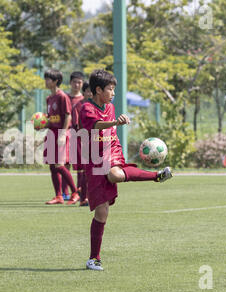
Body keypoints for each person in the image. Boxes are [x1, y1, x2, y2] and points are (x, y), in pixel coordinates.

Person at [79, 70, 172, 271]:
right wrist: (116, 122)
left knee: (115, 174)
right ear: (97, 90)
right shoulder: (86, 108)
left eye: (114, 89)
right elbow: (96, 126)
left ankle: (157, 175)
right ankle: (93, 258)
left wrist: (115, 123)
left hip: (111, 151)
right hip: (94, 161)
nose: (113, 93)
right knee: (102, 213)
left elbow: (108, 129)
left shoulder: (110, 107)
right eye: (110, 89)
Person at [43, 69, 79, 205]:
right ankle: (58, 196)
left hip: (61, 133)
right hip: (51, 133)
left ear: (56, 81)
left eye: (48, 79)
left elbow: (68, 115)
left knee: (59, 164)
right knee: (52, 166)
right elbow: (51, 118)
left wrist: (63, 133)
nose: (46, 82)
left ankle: (75, 192)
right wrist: (42, 124)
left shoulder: (62, 96)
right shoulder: (49, 98)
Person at [61, 71, 85, 200]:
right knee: (65, 163)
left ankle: (80, 191)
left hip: (79, 135)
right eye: (74, 82)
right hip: (65, 134)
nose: (76, 84)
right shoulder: (64, 97)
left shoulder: (84, 100)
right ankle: (65, 193)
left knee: (80, 165)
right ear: (70, 83)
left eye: (79, 82)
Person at [71, 81, 92, 206]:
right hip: (82, 141)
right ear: (83, 92)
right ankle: (84, 198)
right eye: (88, 90)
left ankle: (89, 197)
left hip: (94, 141)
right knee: (85, 171)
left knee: (93, 171)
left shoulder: (96, 105)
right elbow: (77, 126)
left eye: (92, 91)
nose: (90, 93)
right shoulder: (79, 106)